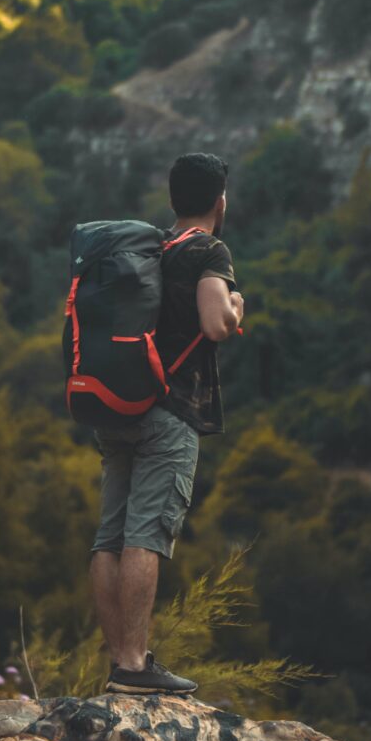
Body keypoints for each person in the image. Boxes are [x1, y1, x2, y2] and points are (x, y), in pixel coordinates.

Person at [88, 153, 243, 695]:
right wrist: (237, 306)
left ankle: (121, 661)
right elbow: (216, 322)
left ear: (173, 198)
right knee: (145, 536)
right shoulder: (209, 249)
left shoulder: (147, 245)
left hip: (113, 405)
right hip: (169, 410)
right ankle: (133, 667)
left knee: (110, 536)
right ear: (219, 202)